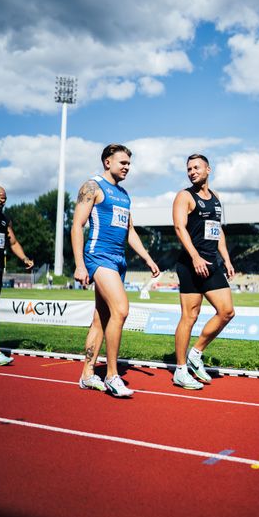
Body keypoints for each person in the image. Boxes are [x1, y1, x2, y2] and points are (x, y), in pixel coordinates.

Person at [71, 144, 160, 397]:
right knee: (121, 310)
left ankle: (87, 374)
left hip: (119, 260)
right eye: (123, 163)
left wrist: (147, 258)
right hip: (98, 256)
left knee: (102, 318)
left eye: (129, 164)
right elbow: (77, 225)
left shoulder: (124, 194)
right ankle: (111, 375)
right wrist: (79, 264)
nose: (127, 167)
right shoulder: (92, 186)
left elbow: (130, 231)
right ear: (107, 162)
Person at [172, 154, 235, 390]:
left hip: (211, 263)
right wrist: (195, 256)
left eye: (196, 167)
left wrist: (226, 259)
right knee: (190, 316)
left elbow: (216, 230)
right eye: (189, 169)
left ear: (208, 169)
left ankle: (195, 353)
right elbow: (179, 227)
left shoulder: (216, 198)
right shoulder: (185, 196)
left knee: (227, 311)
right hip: (190, 264)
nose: (192, 171)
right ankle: (180, 370)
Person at [0, 185, 34, 365]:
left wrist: (24, 258)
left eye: (5, 198)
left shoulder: (4, 220)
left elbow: (13, 242)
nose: (3, 200)